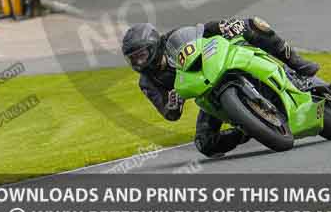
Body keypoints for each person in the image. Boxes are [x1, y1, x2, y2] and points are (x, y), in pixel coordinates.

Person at [121, 18, 319, 158]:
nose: (139, 62)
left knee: (254, 25)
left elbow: (204, 30)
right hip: (209, 95)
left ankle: (296, 65)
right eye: (133, 59)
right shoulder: (147, 82)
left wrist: (225, 25)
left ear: (154, 45)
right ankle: (249, 127)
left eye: (141, 55)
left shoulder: (173, 39)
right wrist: (172, 105)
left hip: (222, 63)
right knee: (204, 144)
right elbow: (169, 113)